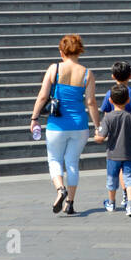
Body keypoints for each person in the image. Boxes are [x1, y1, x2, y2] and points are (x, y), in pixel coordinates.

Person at [30, 34, 102, 216]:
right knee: (72, 163)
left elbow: (43, 96)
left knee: (54, 159)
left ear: (61, 51)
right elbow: (91, 102)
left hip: (57, 125)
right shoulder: (87, 73)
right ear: (79, 50)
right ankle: (69, 202)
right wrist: (97, 126)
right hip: (79, 125)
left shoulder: (54, 69)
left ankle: (60, 189)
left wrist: (34, 118)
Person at [96, 85, 131, 216]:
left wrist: (96, 135)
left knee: (112, 179)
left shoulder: (108, 117)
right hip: (130, 154)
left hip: (113, 155)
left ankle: (111, 203)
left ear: (110, 101)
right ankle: (130, 205)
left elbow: (101, 137)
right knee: (130, 179)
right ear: (128, 100)